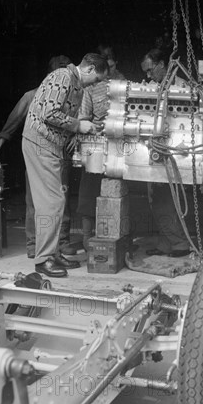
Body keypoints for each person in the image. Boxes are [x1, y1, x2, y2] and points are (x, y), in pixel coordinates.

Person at [22, 53, 109, 277]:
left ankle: (52, 253)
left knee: (56, 201)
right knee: (51, 202)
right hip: (39, 141)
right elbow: (49, 113)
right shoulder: (62, 77)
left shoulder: (77, 86)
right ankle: (43, 260)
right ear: (89, 69)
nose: (97, 84)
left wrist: (78, 131)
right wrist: (79, 126)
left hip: (52, 145)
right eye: (97, 79)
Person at [0, 55, 73, 259]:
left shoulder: (73, 96)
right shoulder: (32, 95)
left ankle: (62, 241)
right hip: (38, 155)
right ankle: (34, 244)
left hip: (61, 157)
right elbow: (13, 121)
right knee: (35, 201)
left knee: (61, 200)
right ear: (50, 75)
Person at [140, 48, 191, 258]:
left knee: (166, 200)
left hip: (176, 151)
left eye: (151, 70)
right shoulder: (149, 88)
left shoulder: (183, 87)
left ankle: (179, 244)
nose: (148, 76)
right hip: (155, 149)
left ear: (162, 64)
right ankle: (166, 244)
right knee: (156, 198)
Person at [75, 45, 126, 251]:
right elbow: (83, 118)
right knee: (88, 193)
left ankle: (114, 237)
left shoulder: (124, 84)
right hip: (96, 145)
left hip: (120, 148)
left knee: (116, 194)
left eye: (111, 61)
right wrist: (93, 128)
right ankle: (88, 240)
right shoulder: (89, 88)